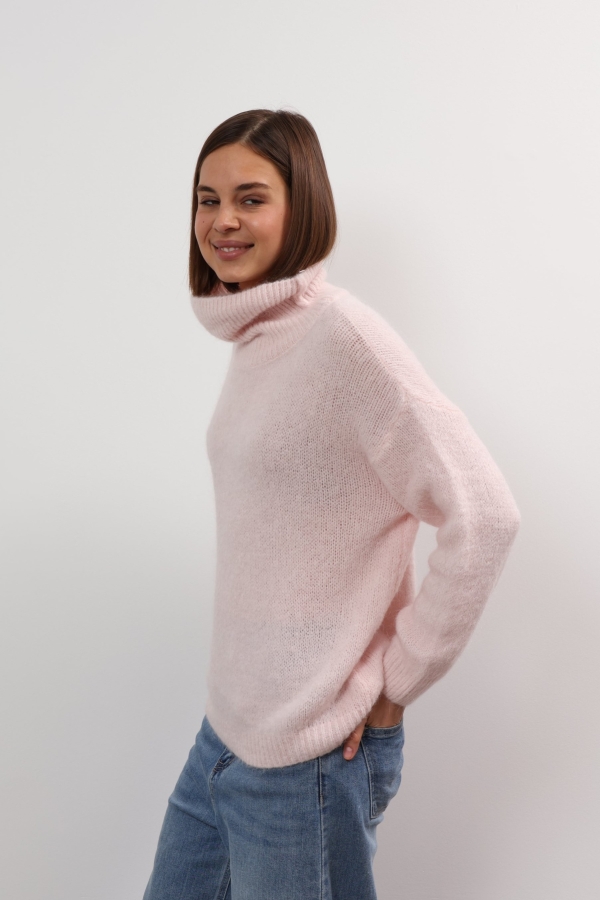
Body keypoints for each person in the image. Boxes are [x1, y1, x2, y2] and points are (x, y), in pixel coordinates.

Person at [142, 109, 520, 900]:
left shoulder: (345, 338)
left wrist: (396, 683)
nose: (222, 220)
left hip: (305, 764)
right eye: (208, 200)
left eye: (251, 198)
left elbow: (484, 513)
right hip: (224, 738)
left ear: (302, 205)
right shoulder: (259, 337)